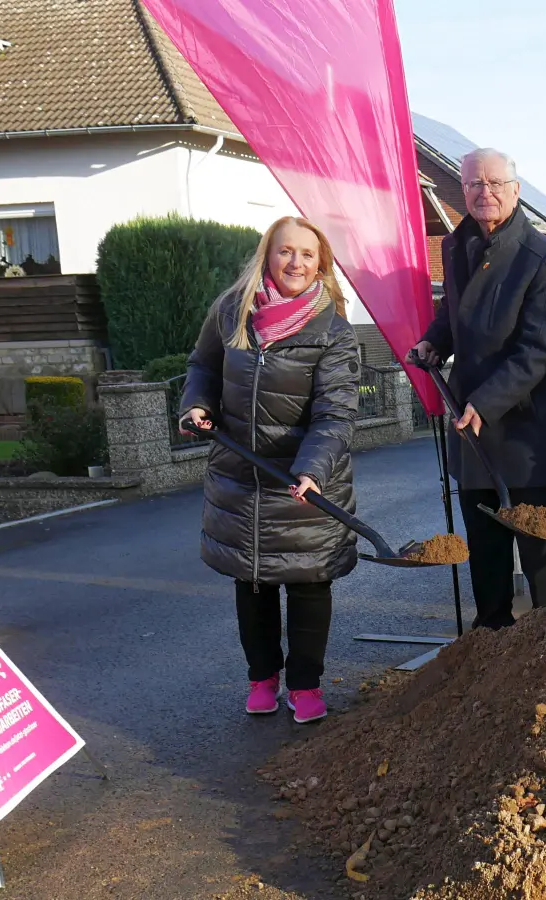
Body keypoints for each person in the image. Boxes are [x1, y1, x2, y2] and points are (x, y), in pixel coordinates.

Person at [181, 215, 361, 725]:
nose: (296, 263)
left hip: (305, 483)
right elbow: (201, 366)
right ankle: (262, 678)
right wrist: (196, 406)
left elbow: (336, 412)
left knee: (308, 584)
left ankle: (305, 684)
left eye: (307, 254)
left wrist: (313, 470)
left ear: (321, 264)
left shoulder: (333, 330)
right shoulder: (232, 311)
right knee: (253, 582)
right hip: (241, 477)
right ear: (268, 255)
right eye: (286, 252)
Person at [412, 148, 546, 628]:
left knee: (540, 552)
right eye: (474, 184)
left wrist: (485, 401)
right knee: (485, 550)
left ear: (516, 190)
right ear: (461, 190)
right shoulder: (455, 246)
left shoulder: (545, 260)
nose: (485, 193)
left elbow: (538, 350)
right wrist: (434, 341)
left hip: (526, 430)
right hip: (472, 428)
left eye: (496, 183)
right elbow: (454, 313)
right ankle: (491, 648)